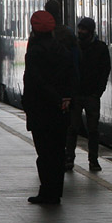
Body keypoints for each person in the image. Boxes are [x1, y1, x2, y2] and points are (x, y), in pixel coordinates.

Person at [22, 10, 75, 204]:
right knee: (58, 152)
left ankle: (47, 192)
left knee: (44, 154)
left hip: (41, 111)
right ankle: (56, 192)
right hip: (61, 110)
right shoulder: (62, 51)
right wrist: (65, 99)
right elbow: (71, 77)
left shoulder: (34, 53)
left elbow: (35, 81)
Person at [66, 17, 111, 172]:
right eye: (80, 29)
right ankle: (69, 158)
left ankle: (93, 160)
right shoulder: (75, 47)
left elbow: (105, 71)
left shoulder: (100, 48)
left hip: (91, 95)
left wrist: (98, 92)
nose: (80, 32)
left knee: (93, 130)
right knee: (72, 128)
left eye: (83, 29)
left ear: (91, 31)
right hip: (77, 94)